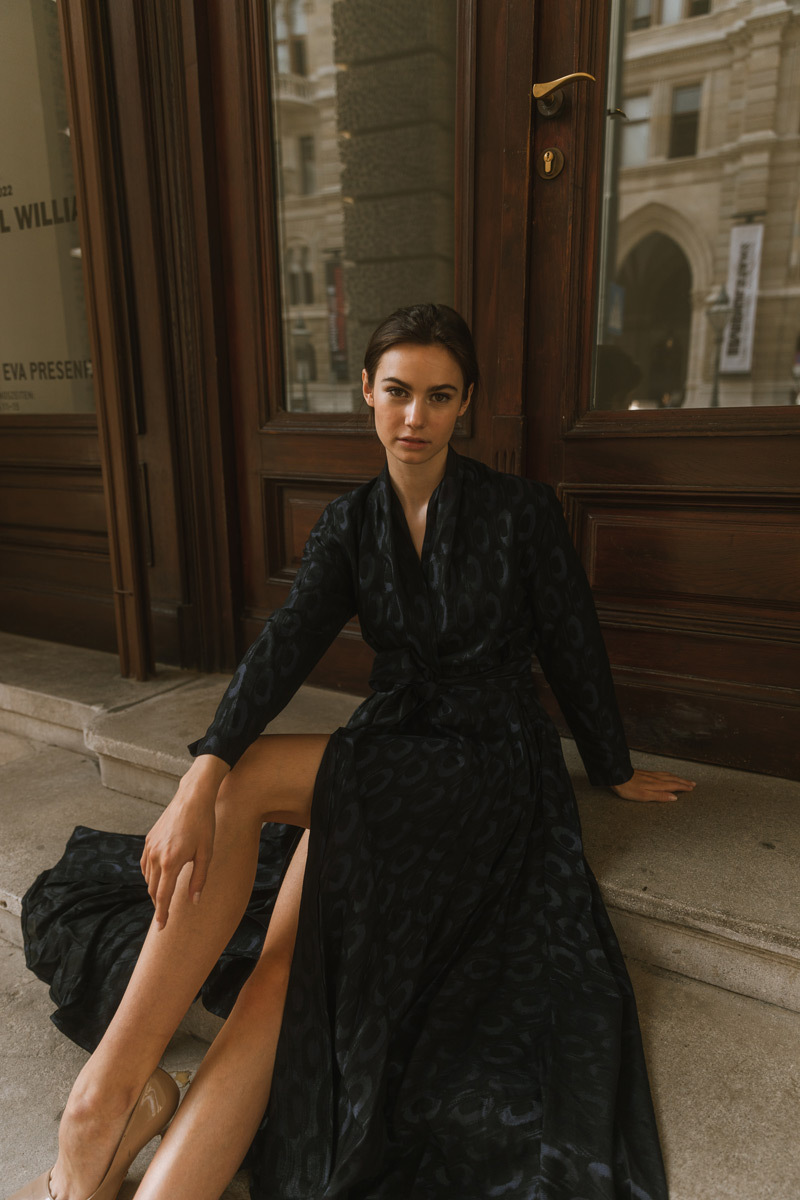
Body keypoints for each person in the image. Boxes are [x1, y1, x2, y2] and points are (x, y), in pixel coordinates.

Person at [12, 304, 695, 1200]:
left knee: (250, 796)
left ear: (466, 406)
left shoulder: (520, 512)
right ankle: (137, 1144)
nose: (416, 416)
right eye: (399, 392)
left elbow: (574, 643)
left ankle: (98, 1111)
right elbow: (283, 648)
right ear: (367, 394)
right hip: (387, 751)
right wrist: (197, 773)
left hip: (485, 764)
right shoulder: (351, 522)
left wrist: (610, 765)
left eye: (439, 396)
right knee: (283, 963)